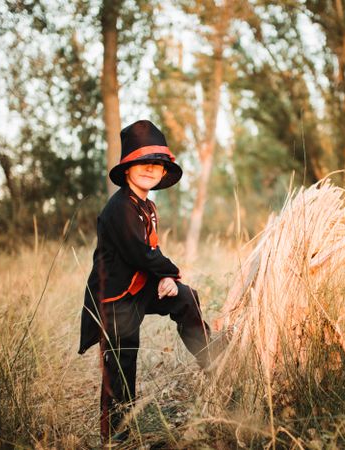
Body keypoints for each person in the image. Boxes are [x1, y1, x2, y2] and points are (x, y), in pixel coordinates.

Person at [78, 120, 212, 443]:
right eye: (143, 163)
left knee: (184, 297)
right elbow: (141, 253)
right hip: (114, 297)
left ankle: (211, 354)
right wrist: (169, 270)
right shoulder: (120, 208)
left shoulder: (147, 206)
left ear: (163, 172)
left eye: (157, 164)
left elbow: (151, 250)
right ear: (127, 170)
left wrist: (167, 279)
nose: (151, 169)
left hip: (139, 287)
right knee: (123, 360)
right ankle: (117, 434)